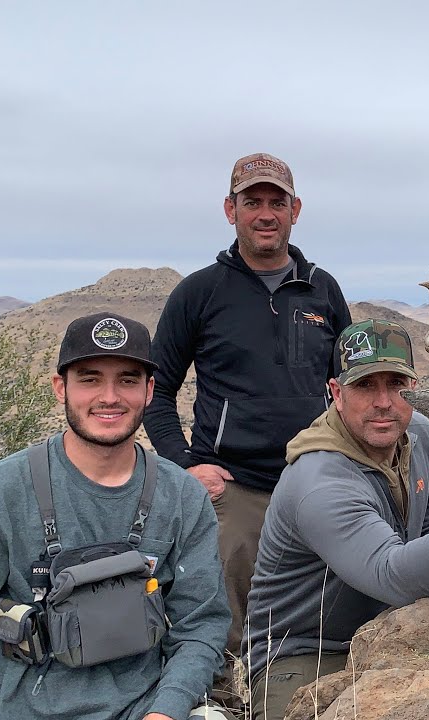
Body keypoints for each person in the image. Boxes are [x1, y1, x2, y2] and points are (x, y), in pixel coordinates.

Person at [0, 312, 229, 720]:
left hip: (145, 709)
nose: (109, 397)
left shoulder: (182, 496)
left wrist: (166, 710)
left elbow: (201, 627)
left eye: (127, 380)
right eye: (90, 379)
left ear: (149, 390)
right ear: (60, 387)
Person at [242, 320, 429, 720]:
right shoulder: (319, 482)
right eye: (365, 385)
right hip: (307, 652)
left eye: (396, 384)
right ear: (337, 393)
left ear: (415, 388)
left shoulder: (419, 435)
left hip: (391, 625)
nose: (384, 402)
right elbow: (395, 577)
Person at [143, 152, 351, 684]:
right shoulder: (200, 292)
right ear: (229, 209)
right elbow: (155, 391)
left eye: (276, 202)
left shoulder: (323, 290)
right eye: (251, 201)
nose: (265, 214)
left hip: (313, 480)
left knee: (322, 610)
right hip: (233, 486)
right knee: (222, 622)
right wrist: (185, 465)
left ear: (295, 211)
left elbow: (348, 388)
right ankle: (220, 698)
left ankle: (306, 695)